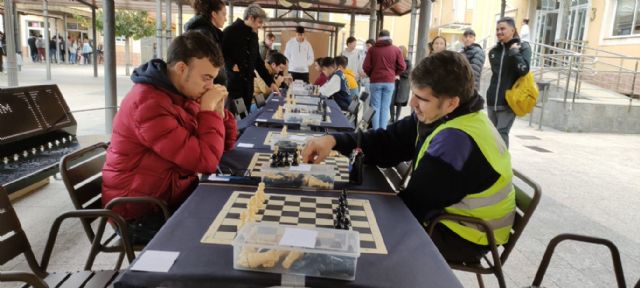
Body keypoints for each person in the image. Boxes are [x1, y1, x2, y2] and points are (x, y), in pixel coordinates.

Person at [302, 51, 516, 264]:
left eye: (422, 98)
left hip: (463, 234)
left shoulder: (457, 142)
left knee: (359, 244)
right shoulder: (441, 114)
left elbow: (412, 208)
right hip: (442, 214)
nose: (412, 103)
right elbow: (388, 143)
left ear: (451, 103)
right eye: (414, 94)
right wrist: (334, 141)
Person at [102, 31, 237, 244]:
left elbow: (225, 146)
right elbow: (207, 161)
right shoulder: (148, 104)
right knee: (221, 239)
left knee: (235, 215)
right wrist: (208, 111)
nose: (210, 86)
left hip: (169, 197)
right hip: (139, 214)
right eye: (206, 78)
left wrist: (218, 111)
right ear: (181, 68)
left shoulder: (179, 93)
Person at [222, 4, 278, 114]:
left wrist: (271, 82)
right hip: (234, 85)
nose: (260, 26)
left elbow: (258, 62)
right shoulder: (230, 31)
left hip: (248, 87)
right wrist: (230, 64)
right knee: (235, 119)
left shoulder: (253, 36)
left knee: (245, 117)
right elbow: (219, 53)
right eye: (259, 22)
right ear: (251, 18)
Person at [487, 17, 531, 147]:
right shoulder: (494, 51)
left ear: (512, 30)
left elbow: (523, 70)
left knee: (501, 134)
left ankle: (501, 165)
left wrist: (514, 53)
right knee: (491, 135)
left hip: (508, 101)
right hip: (492, 100)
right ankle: (490, 164)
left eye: (503, 29)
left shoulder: (523, 48)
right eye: (497, 29)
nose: (499, 32)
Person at [363, 30, 406, 130]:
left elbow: (366, 66)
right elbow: (402, 67)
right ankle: (383, 131)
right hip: (389, 82)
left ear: (378, 37)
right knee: (385, 107)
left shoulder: (372, 50)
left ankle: (376, 131)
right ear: (389, 37)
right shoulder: (396, 50)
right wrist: (394, 74)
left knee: (375, 107)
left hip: (375, 81)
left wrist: (372, 75)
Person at [185, 0, 227, 86]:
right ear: (214, 14)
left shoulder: (210, 33)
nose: (225, 19)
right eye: (223, 14)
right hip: (207, 89)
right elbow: (206, 68)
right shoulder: (204, 34)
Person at [390, 45, 411, 123]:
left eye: (401, 51)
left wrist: (399, 74)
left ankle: (396, 119)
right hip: (394, 82)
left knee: (399, 102)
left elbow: (409, 72)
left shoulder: (408, 61)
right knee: (391, 102)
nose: (399, 52)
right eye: (398, 50)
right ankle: (392, 118)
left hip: (403, 84)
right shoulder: (395, 60)